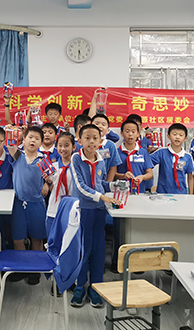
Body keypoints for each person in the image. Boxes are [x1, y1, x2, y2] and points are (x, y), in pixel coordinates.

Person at [70, 124, 121, 307]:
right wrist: (102, 197)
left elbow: (100, 183)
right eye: (87, 138)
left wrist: (115, 186)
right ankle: (79, 287)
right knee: (84, 249)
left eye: (95, 138)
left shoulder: (100, 159)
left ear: (101, 140)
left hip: (99, 210)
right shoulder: (76, 158)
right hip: (83, 209)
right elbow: (80, 187)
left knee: (99, 250)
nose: (91, 142)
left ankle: (96, 288)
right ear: (80, 140)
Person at [7, 126, 48, 285]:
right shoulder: (18, 155)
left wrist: (47, 183)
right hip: (18, 202)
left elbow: (50, 177)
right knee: (18, 239)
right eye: (30, 137)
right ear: (23, 140)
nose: (33, 141)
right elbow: (9, 145)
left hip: (37, 203)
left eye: (37, 138)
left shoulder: (43, 159)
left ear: (41, 143)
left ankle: (35, 270)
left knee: (37, 238)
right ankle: (22, 268)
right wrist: (11, 130)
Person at [150, 123, 194, 194]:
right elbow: (147, 163)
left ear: (185, 139)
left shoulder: (187, 156)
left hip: (181, 193)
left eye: (181, 135)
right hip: (163, 193)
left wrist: (191, 195)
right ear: (168, 136)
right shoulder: (161, 152)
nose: (177, 137)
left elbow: (190, 177)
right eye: (174, 134)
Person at [45, 132, 74, 236]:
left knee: (69, 241)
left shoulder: (77, 167)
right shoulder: (52, 167)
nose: (63, 149)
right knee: (52, 239)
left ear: (73, 147)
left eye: (67, 145)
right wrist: (47, 183)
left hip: (72, 210)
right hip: (54, 210)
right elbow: (49, 186)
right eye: (60, 146)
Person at [114, 119, 154, 193]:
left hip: (139, 191)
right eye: (127, 131)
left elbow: (150, 174)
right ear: (122, 133)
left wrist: (143, 177)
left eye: (133, 131)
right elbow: (113, 174)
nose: (130, 134)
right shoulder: (116, 152)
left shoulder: (143, 152)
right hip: (120, 192)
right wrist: (123, 176)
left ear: (138, 134)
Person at [91, 114, 122, 182]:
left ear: (108, 130)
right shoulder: (85, 143)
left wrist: (107, 184)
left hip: (104, 182)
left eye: (103, 124)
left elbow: (113, 167)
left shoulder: (110, 145)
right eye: (96, 123)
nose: (100, 126)